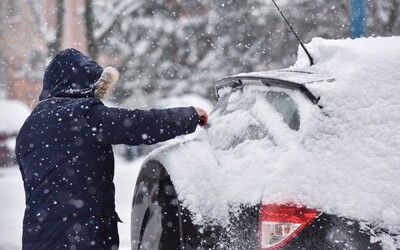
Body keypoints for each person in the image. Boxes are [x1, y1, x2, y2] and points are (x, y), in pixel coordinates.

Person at [15, 48, 208, 249]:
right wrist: (188, 116)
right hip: (79, 234)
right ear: (82, 82)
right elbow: (138, 124)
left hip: (37, 235)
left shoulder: (28, 128)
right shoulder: (83, 114)